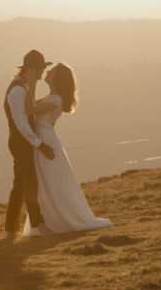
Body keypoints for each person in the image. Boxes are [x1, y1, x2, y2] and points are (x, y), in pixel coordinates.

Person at [22, 63, 112, 236]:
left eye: (52, 71)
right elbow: (31, 104)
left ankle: (57, 219)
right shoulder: (51, 96)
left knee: (49, 179)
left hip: (45, 140)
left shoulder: (56, 100)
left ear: (58, 78)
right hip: (43, 138)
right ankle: (48, 219)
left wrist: (33, 83)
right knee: (45, 180)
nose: (48, 71)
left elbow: (30, 110)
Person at [4, 50, 56, 236]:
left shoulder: (23, 87)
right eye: (41, 68)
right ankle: (38, 224)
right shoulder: (18, 90)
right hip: (21, 143)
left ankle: (11, 228)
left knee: (20, 184)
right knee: (30, 182)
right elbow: (21, 123)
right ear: (32, 69)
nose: (42, 73)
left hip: (21, 142)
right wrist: (40, 144)